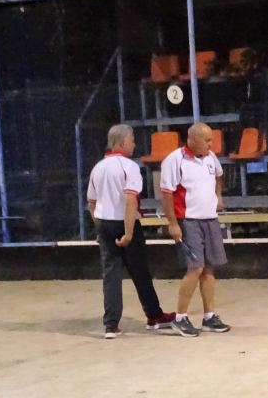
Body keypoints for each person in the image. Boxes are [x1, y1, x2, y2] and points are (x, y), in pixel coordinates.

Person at [87, 124, 175, 339]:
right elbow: (130, 200)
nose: (134, 144)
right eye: (132, 140)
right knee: (140, 271)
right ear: (122, 143)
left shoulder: (98, 167)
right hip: (125, 222)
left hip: (104, 222)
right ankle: (154, 315)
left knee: (111, 275)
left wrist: (98, 225)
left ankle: (111, 325)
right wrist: (128, 232)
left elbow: (91, 201)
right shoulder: (129, 167)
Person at [159, 122, 231, 337]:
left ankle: (209, 316)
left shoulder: (211, 157)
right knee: (195, 268)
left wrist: (218, 196)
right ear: (192, 139)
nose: (211, 144)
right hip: (188, 221)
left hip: (210, 219)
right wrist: (173, 223)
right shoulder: (175, 160)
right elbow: (166, 194)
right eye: (207, 140)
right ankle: (180, 318)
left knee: (209, 268)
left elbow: (218, 175)